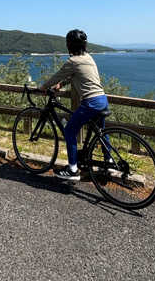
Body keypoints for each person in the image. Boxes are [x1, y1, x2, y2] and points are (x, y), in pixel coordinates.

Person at [38, 29, 109, 181]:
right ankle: (108, 161)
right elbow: (74, 75)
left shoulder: (72, 61)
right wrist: (61, 84)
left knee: (70, 131)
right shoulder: (88, 58)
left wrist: (42, 88)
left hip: (90, 102)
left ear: (70, 45)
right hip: (102, 99)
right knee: (101, 132)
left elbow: (57, 76)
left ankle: (72, 170)